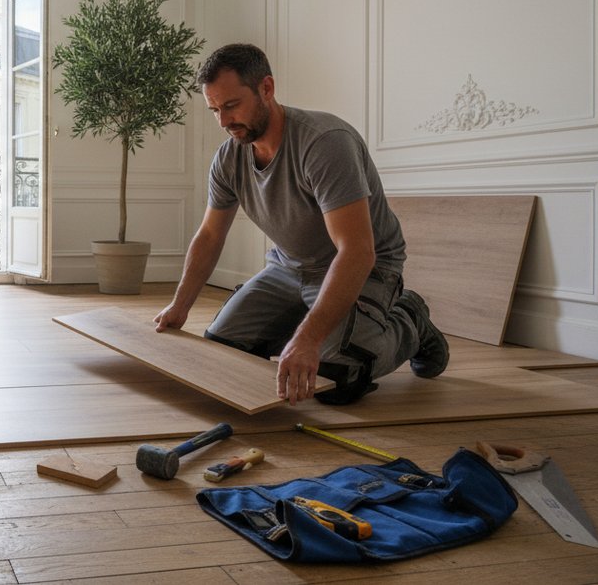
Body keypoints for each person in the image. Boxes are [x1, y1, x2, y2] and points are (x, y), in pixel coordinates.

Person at [154, 43, 448, 405]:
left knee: (337, 379)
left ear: (267, 88)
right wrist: (180, 306)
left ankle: (410, 321)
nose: (224, 121)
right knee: (223, 354)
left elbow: (356, 251)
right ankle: (316, 331)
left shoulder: (324, 143)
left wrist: (309, 341)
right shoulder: (229, 158)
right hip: (288, 268)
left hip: (365, 267)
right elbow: (211, 235)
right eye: (214, 110)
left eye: (231, 105)